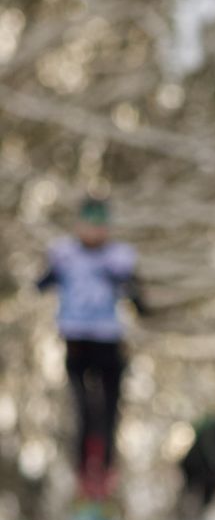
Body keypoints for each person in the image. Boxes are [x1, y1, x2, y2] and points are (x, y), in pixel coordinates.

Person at [37, 196, 147, 503]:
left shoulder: (118, 258)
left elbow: (141, 300)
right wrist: (51, 274)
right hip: (75, 340)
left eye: (101, 226)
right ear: (79, 226)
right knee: (84, 409)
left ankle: (107, 471)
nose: (95, 233)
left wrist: (127, 287)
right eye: (89, 225)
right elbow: (40, 284)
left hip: (109, 341)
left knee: (110, 409)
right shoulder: (65, 255)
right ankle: (83, 473)